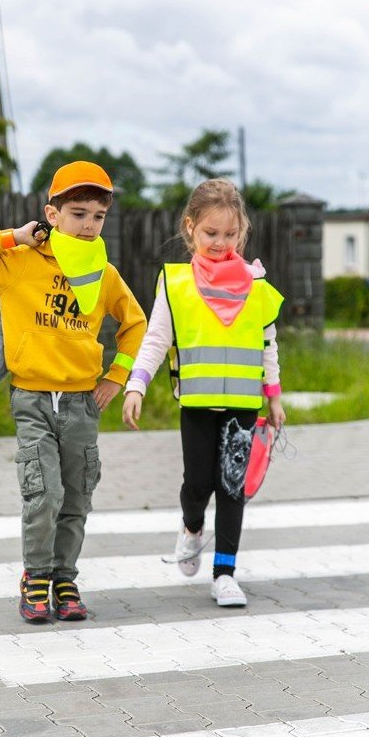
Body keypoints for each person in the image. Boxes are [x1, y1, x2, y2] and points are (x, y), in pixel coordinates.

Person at [0, 161, 146, 623]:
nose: (88, 225)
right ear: (52, 214)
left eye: (98, 216)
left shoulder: (104, 272)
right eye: (78, 214)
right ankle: (36, 578)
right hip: (33, 400)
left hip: (82, 403)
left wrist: (116, 378)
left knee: (76, 499)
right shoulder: (21, 263)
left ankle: (65, 579)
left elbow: (135, 324)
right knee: (43, 495)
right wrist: (15, 237)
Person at [121, 178, 286, 608]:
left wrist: (274, 396)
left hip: (243, 405)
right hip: (196, 404)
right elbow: (157, 338)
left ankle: (224, 574)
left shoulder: (256, 284)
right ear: (190, 227)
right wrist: (137, 384)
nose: (220, 242)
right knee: (197, 484)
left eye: (230, 234)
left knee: (232, 487)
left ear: (241, 233)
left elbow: (267, 343)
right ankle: (192, 526)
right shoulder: (175, 283)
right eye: (211, 232)